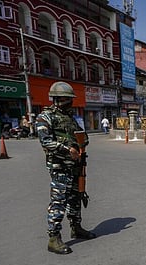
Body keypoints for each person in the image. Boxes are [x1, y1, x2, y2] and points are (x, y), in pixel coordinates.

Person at [36, 81, 96, 254]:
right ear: (55, 99)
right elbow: (45, 141)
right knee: (58, 201)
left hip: (75, 166)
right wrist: (66, 149)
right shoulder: (45, 117)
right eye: (65, 98)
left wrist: (82, 142)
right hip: (59, 166)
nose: (68, 102)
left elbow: (82, 137)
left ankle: (76, 227)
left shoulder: (70, 117)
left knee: (76, 198)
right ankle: (53, 238)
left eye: (69, 99)